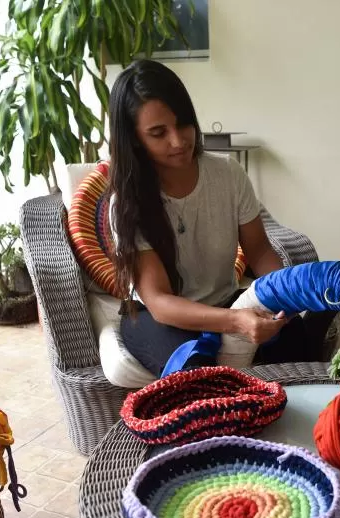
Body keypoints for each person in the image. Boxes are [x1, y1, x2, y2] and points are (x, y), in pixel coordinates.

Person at [107, 59, 306, 377]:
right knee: (198, 370)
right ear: (134, 139)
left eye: (183, 123)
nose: (178, 141)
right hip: (157, 318)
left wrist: (286, 295)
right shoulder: (128, 203)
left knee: (298, 340)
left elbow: (259, 251)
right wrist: (235, 322)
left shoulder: (227, 173)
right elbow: (159, 301)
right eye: (158, 133)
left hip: (226, 301)